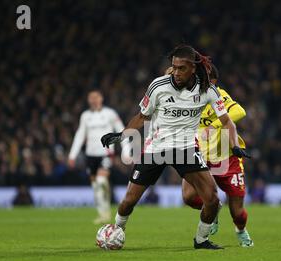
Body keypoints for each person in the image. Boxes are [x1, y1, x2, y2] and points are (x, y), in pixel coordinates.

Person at [101, 44, 250, 250]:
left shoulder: (208, 91)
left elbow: (227, 121)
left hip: (186, 150)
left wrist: (234, 146)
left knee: (213, 200)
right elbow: (143, 116)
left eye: (181, 68)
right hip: (156, 149)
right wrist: (122, 135)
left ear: (193, 68)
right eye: (174, 67)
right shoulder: (158, 86)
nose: (176, 72)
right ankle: (115, 231)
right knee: (128, 201)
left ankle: (201, 240)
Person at [180, 64, 253, 247]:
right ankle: (213, 208)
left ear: (212, 82)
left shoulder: (218, 94)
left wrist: (214, 124)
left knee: (237, 212)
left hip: (227, 159)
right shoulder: (187, 97)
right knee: (188, 196)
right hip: (201, 157)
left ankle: (241, 230)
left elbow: (239, 111)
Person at [68, 89, 131, 224]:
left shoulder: (110, 114)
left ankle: (106, 207)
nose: (94, 100)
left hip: (106, 153)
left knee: (101, 181)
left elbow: (122, 131)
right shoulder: (85, 116)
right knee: (96, 185)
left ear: (101, 99)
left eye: (96, 97)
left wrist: (126, 149)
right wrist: (72, 155)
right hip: (90, 155)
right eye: (91, 98)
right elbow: (80, 135)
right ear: (88, 101)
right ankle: (103, 213)